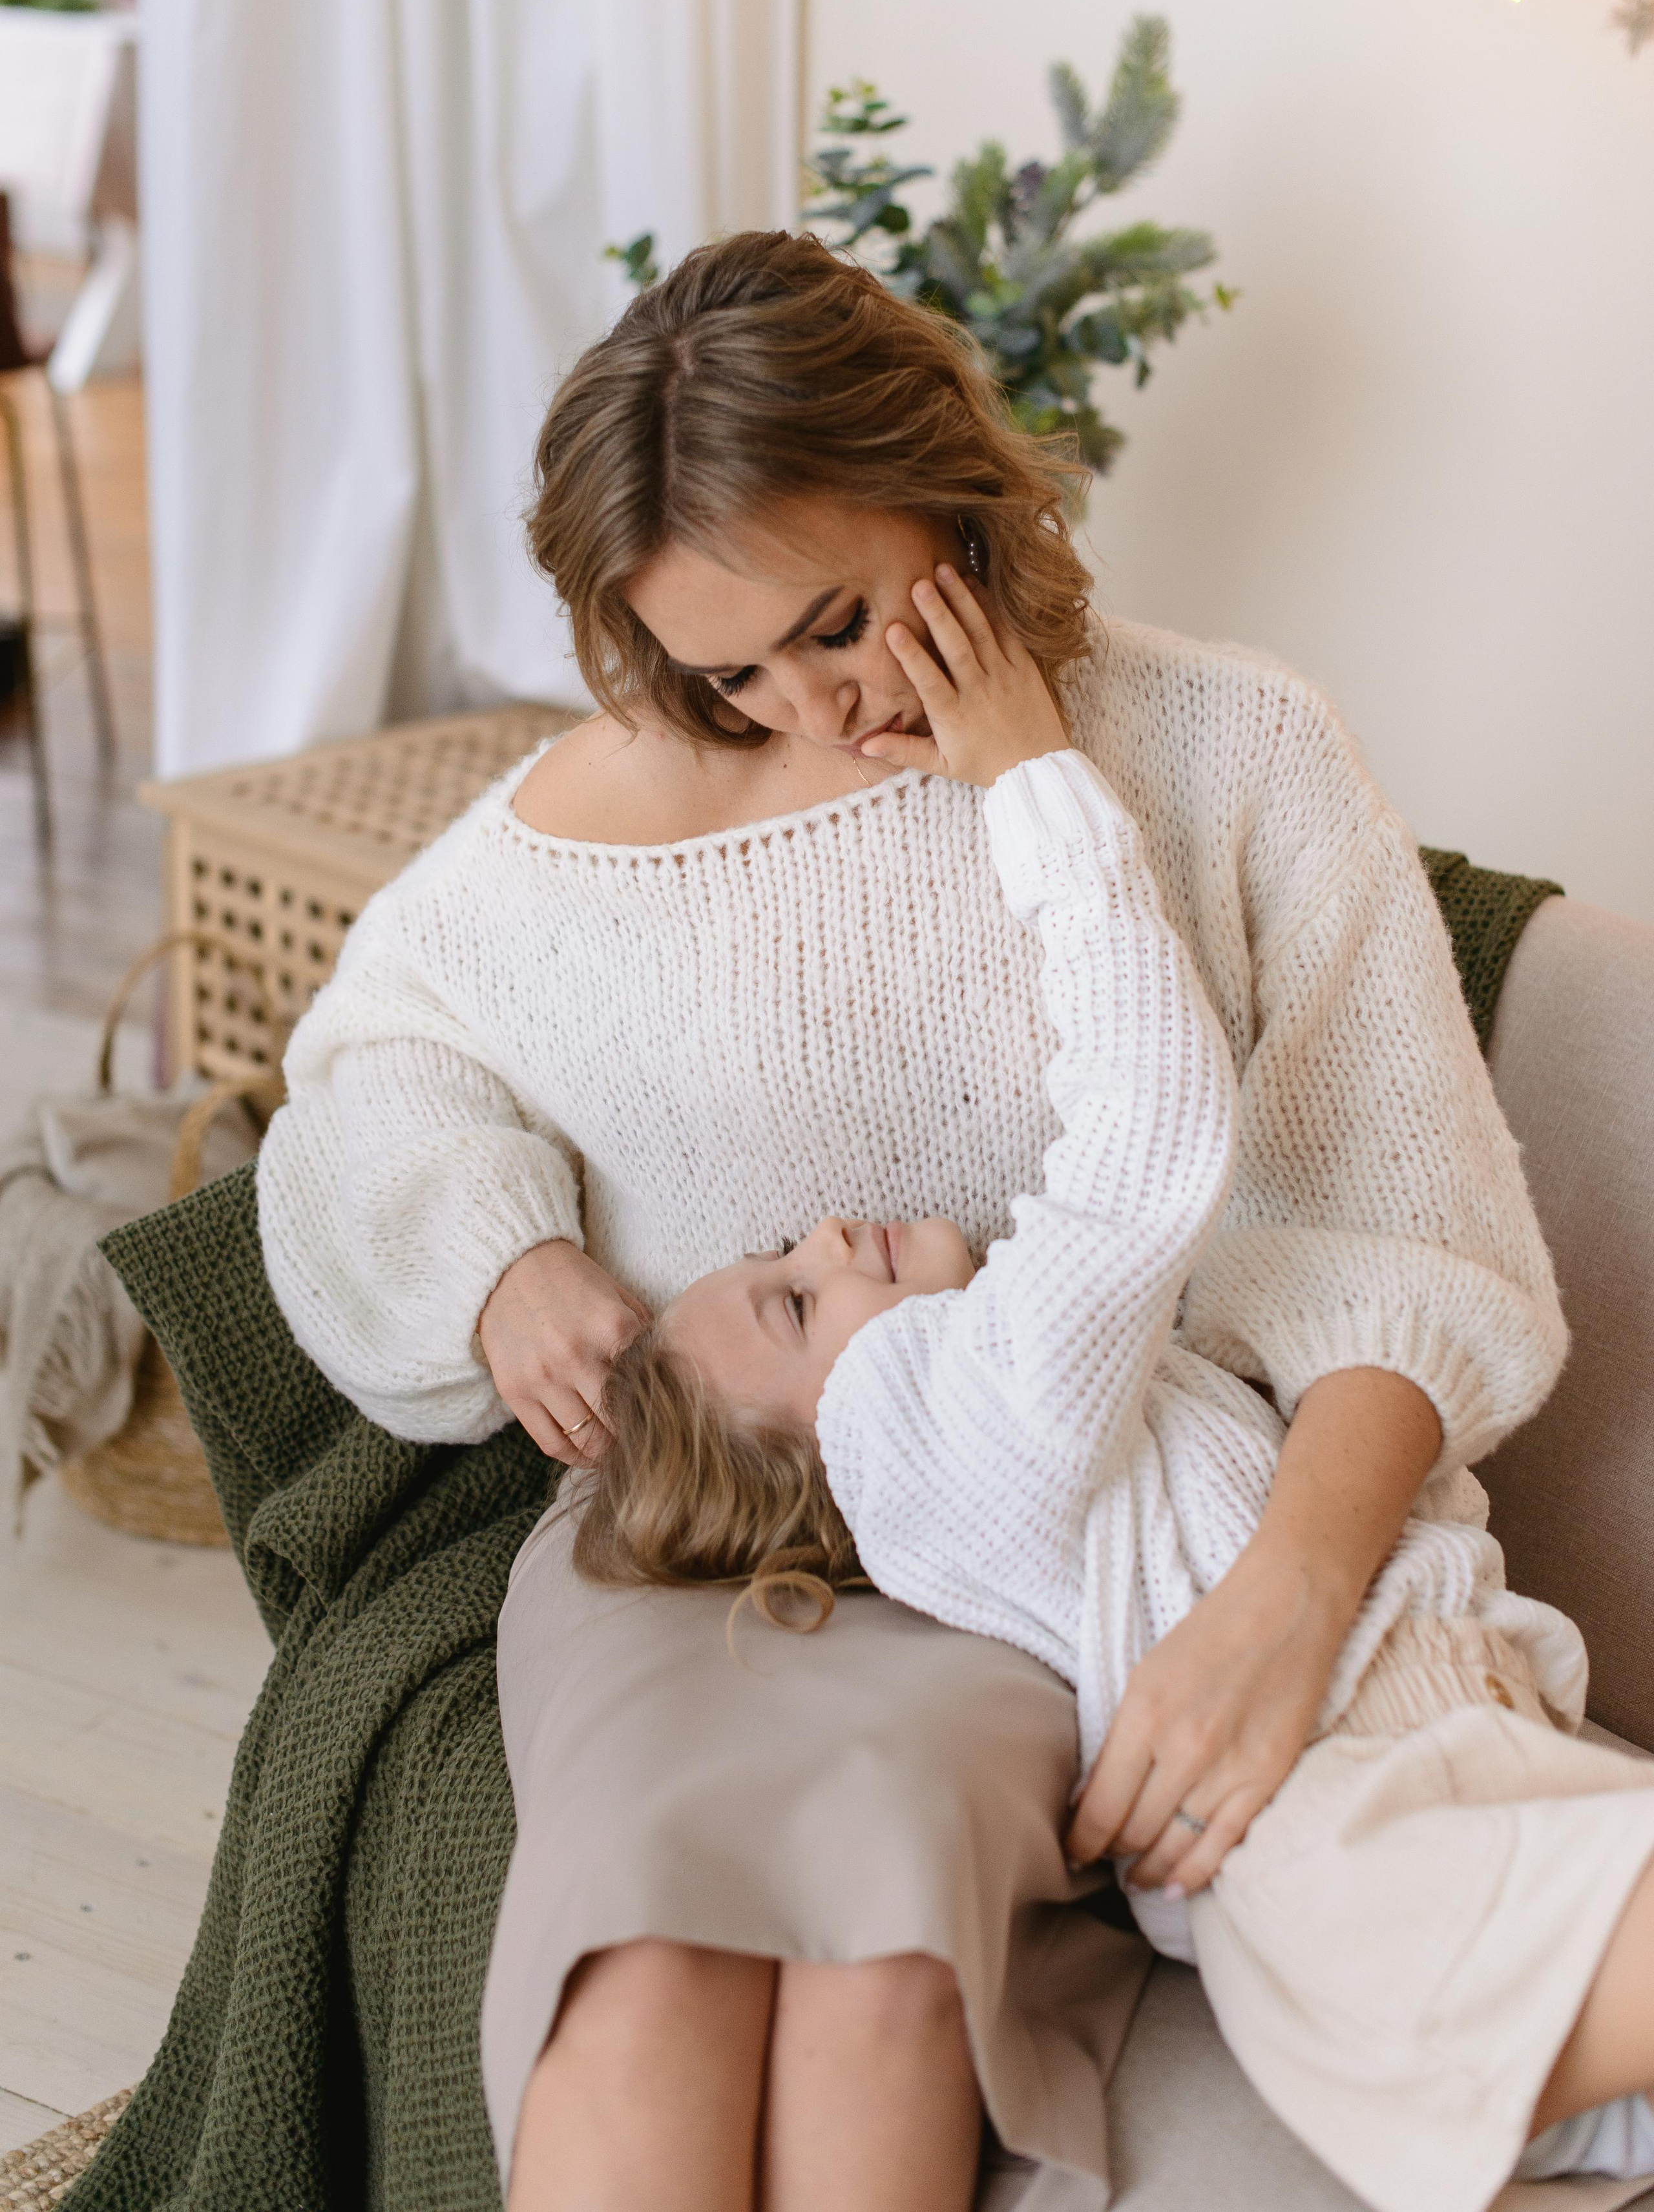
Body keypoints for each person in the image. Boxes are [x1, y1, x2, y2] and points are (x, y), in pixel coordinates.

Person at [257, 230, 1570, 2211]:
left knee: (878, 1988)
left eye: (839, 617)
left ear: (953, 484)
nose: (805, 699)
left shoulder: (1225, 751)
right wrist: (500, 1255)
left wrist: (1287, 1597)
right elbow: (361, 1076)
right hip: (692, 1542)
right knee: (641, 1982)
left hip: (1029, 1559)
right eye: (725, 667)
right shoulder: (592, 819)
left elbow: (1409, 1247)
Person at [570, 566, 1654, 2212]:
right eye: (796, 1297)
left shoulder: (1027, 1408)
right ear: (828, 1458)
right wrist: (1031, 781)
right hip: (1359, 1833)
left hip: (1442, 1790)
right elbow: (1146, 1137)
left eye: (786, 1249)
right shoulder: (925, 1432)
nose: (828, 1231)